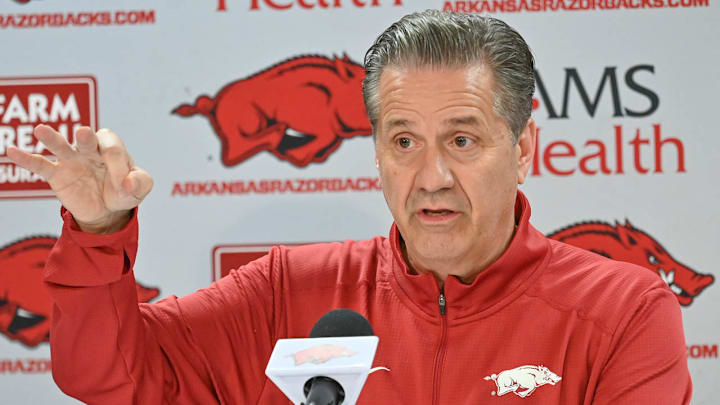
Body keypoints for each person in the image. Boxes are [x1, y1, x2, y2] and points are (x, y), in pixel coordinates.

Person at [8, 10, 691, 405]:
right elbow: (112, 377)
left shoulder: (622, 309)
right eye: (403, 141)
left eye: (462, 139)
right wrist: (100, 234)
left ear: (523, 148)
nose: (432, 176)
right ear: (376, 152)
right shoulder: (288, 291)